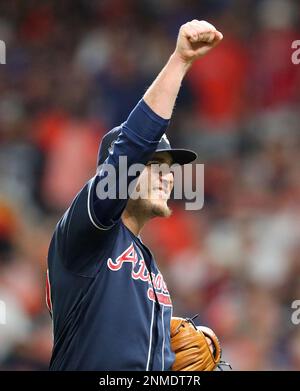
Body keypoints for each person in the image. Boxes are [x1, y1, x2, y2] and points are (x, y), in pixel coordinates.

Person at [46, 19, 223, 371]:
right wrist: (180, 60)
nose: (166, 175)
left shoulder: (146, 262)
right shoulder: (88, 235)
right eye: (153, 163)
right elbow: (132, 146)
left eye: (168, 167)